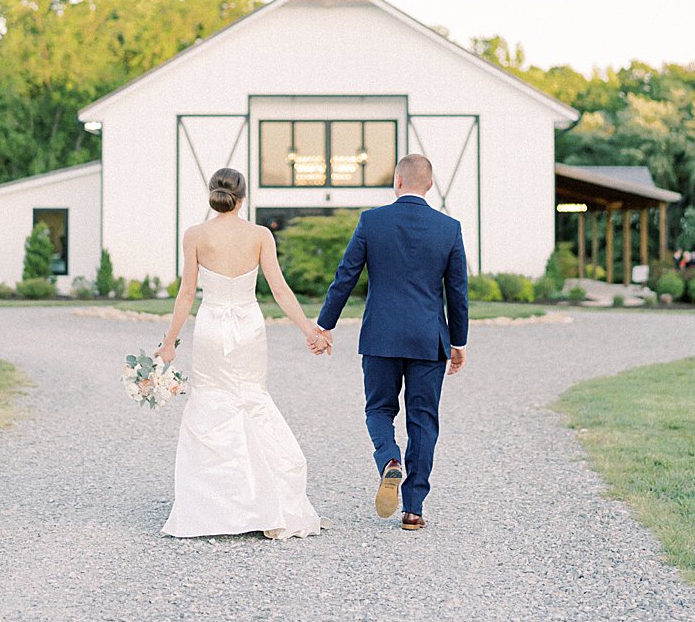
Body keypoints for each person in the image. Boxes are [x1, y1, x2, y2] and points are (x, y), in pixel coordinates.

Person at [156, 168, 327, 540]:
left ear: (212, 196)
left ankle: (214, 507)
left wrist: (168, 342)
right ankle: (266, 502)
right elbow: (280, 290)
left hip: (212, 328)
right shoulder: (260, 235)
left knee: (211, 404)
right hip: (248, 328)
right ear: (243, 197)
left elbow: (187, 294)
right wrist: (308, 329)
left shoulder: (195, 235)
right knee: (251, 400)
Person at [313, 153, 469, 532]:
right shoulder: (449, 228)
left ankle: (389, 460)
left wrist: (324, 325)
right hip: (428, 340)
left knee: (379, 410)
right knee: (423, 420)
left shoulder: (372, 221)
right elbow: (458, 291)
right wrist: (458, 341)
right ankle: (413, 509)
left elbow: (345, 276)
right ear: (429, 185)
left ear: (397, 182)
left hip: (381, 336)